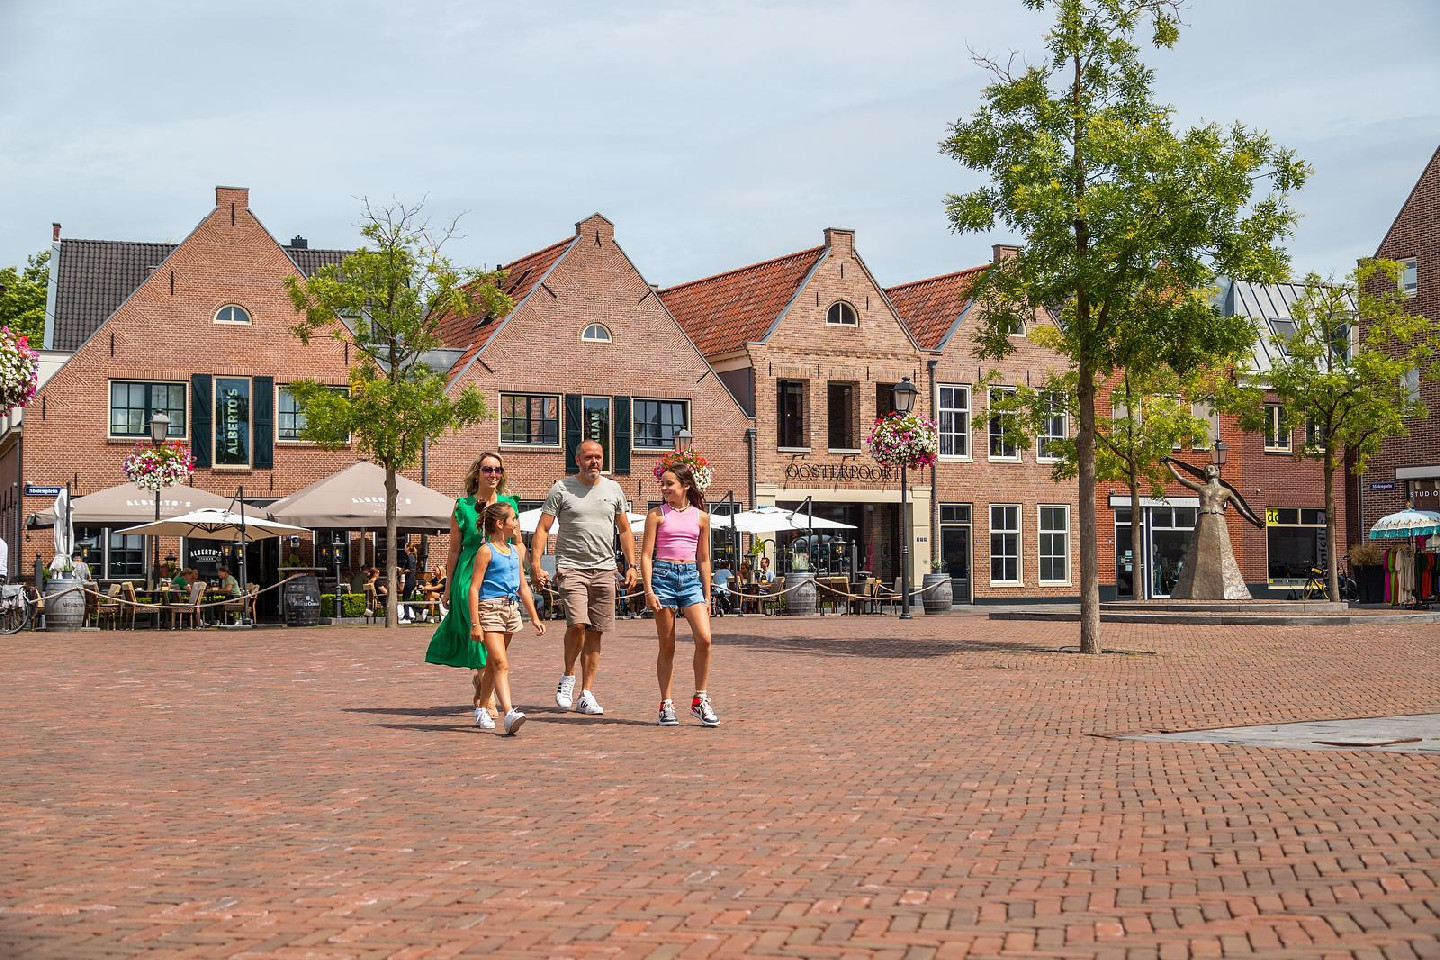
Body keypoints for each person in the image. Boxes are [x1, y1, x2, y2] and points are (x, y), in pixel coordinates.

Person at [532, 440, 638, 716]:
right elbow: (543, 529)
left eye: (599, 457)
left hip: (605, 568)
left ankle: (586, 693)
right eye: (589, 457)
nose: (595, 462)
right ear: (578, 460)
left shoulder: (614, 489)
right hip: (571, 567)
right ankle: (568, 677)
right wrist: (535, 563)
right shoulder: (562, 489)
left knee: (596, 631)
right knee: (577, 624)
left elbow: (624, 530)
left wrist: (631, 565)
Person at [427, 452, 521, 719]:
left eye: (498, 470)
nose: (493, 475)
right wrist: (447, 587)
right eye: (488, 469)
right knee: (482, 633)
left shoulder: (509, 504)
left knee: (498, 643)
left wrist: (522, 571)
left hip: (501, 577)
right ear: (477, 472)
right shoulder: (462, 506)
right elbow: (454, 549)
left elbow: (517, 542)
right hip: (469, 576)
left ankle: (484, 683)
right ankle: (488, 700)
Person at [640, 464, 719, 727]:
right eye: (662, 484)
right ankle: (666, 704)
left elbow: (704, 559)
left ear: (685, 485)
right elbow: (646, 555)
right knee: (668, 645)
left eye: (669, 483)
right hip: (663, 577)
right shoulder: (656, 515)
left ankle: (700, 699)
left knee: (705, 639)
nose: (664, 488)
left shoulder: (701, 517)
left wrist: (707, 597)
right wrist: (648, 589)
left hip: (690, 579)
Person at [466, 502, 546, 734]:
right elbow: (474, 588)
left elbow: (523, 586)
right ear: (500, 524)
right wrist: (475, 623)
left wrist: (534, 616)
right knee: (501, 663)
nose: (516, 523)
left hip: (511, 611)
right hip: (489, 610)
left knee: (493, 664)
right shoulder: (485, 551)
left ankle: (482, 707)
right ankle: (509, 713)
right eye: (514, 519)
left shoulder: (514, 551)